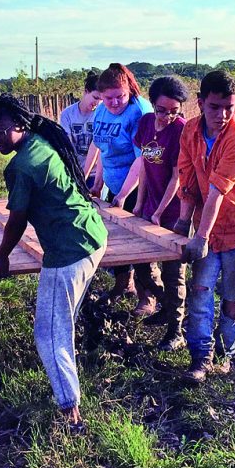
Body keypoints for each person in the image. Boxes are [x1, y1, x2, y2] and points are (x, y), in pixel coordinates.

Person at [0, 94, 107, 432]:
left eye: (0, 132)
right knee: (61, 324)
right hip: (91, 235)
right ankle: (70, 392)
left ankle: (71, 414)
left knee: (49, 335)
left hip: (69, 250)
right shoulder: (40, 140)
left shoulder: (22, 166)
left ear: (19, 124)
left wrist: (2, 255)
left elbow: (18, 221)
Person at [176, 70, 235, 382]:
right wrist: (182, 222)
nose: (223, 114)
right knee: (200, 291)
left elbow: (216, 192)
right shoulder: (189, 132)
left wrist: (198, 237)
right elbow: (186, 179)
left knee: (232, 299)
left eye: (229, 106)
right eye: (215, 107)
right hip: (207, 228)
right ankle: (201, 357)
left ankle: (225, 354)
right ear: (200, 103)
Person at [110, 75, 188, 340]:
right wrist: (141, 205)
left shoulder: (181, 131)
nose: (167, 116)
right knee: (142, 264)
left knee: (173, 272)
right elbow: (144, 163)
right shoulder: (145, 123)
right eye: (162, 110)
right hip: (150, 205)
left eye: (173, 112)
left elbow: (177, 177)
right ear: (152, 104)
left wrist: (159, 212)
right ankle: (164, 304)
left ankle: (175, 330)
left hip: (175, 210)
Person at [83, 62, 153, 301]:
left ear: (129, 91)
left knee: (138, 240)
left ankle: (148, 296)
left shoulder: (139, 112)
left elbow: (143, 159)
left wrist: (123, 195)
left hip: (137, 187)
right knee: (114, 237)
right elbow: (104, 148)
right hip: (114, 185)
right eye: (108, 98)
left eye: (120, 97)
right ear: (101, 96)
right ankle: (124, 284)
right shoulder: (102, 111)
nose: (114, 103)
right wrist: (97, 183)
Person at [58, 70, 101, 166]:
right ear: (86, 92)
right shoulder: (67, 114)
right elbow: (66, 144)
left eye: (101, 100)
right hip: (74, 169)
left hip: (95, 172)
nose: (98, 103)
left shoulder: (102, 114)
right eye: (95, 98)